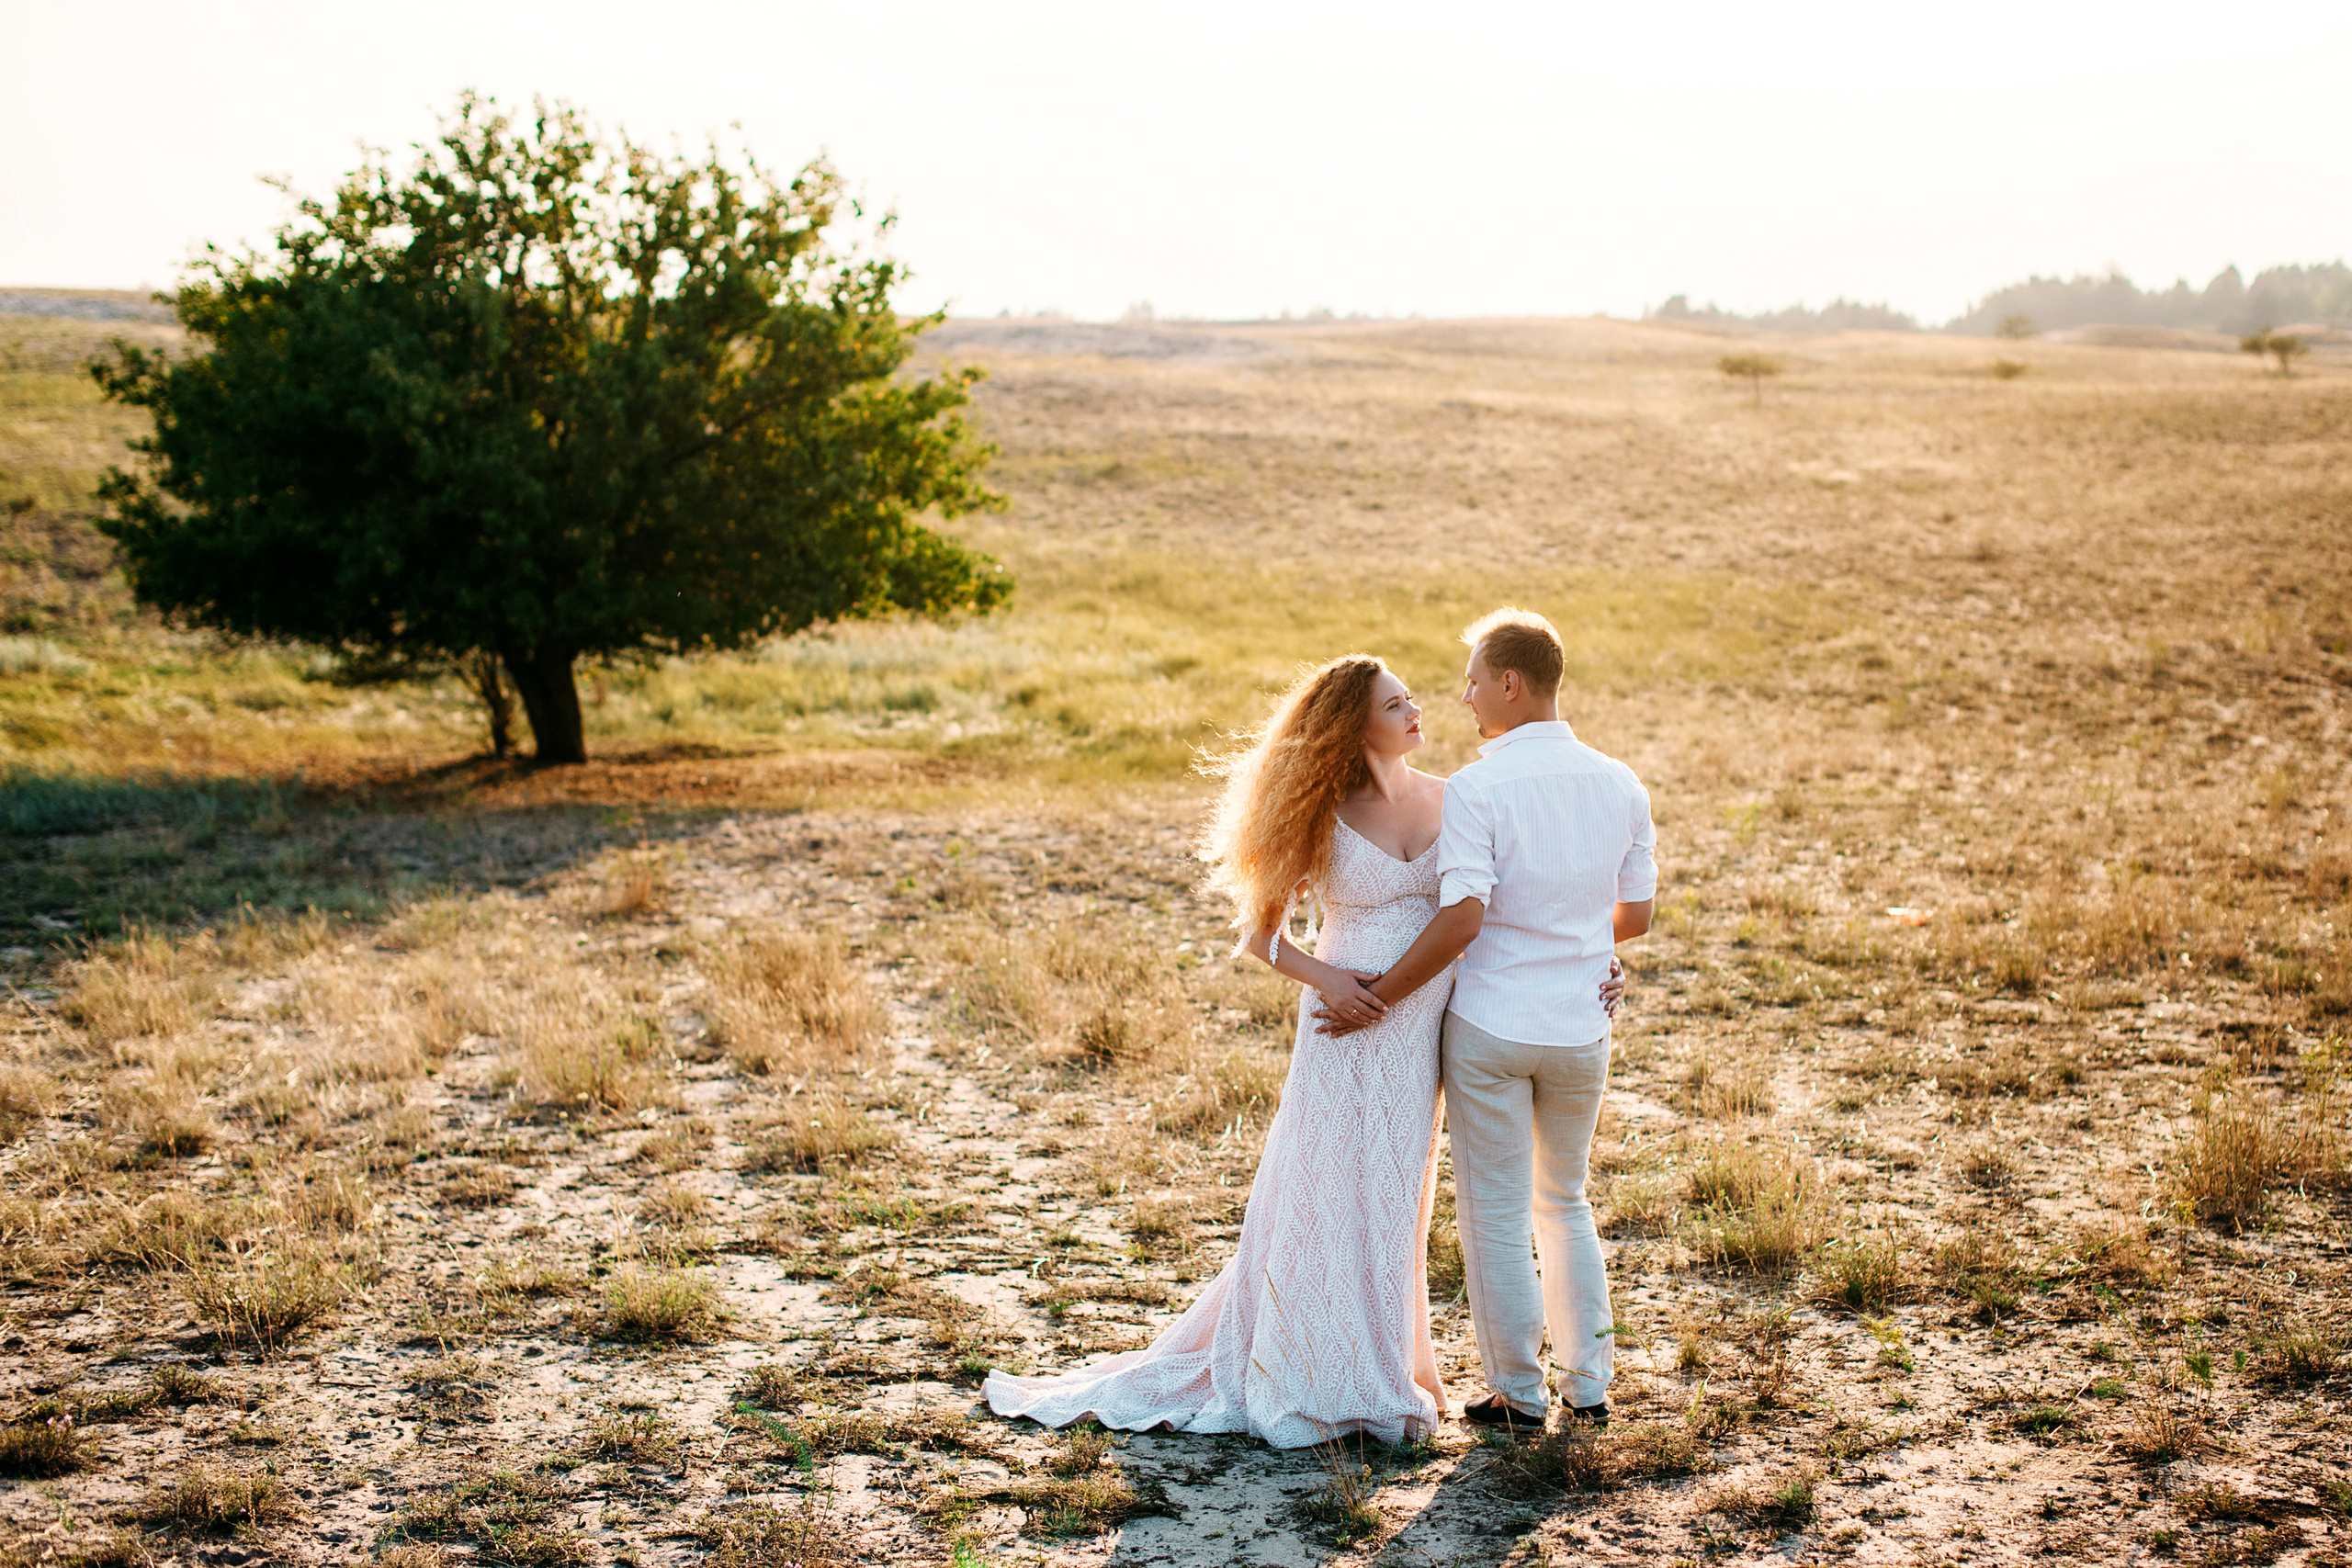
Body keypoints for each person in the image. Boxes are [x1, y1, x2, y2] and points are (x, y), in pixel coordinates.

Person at [982, 653, 1623, 1448]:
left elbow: (1498, 910)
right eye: (1397, 705)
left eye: (1413, 699)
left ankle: (1383, 1361)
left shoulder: (1456, 798)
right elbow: (1262, 937)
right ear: (1355, 724)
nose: (1420, 711)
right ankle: (1310, 1367)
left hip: (1421, 1027)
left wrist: (1598, 959)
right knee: (1322, 1192)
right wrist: (1332, 982)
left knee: (1393, 1202)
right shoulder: (1319, 810)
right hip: (1340, 1030)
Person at [1320, 607, 1655, 1429]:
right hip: (1582, 1027)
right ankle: (1591, 1385)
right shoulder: (1621, 781)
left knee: (1498, 1210)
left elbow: (1465, 917)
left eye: (1473, 679)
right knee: (1566, 1202)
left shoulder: (1479, 787)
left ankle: (1517, 1391)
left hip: (1494, 1028)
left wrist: (1385, 993)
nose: (1464, 696)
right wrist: (1579, 943)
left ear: (1510, 682)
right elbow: (1636, 914)